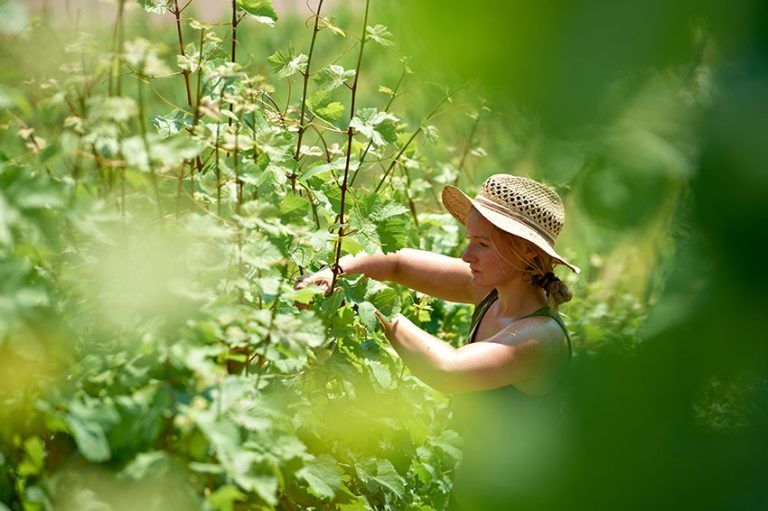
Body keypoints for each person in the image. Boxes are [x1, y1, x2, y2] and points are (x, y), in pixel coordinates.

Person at [294, 174, 580, 509]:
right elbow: (397, 263)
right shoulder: (491, 292)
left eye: (482, 244)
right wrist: (335, 273)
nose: (465, 254)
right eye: (469, 239)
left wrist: (368, 304)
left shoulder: (541, 338)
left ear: (526, 253)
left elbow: (448, 370)